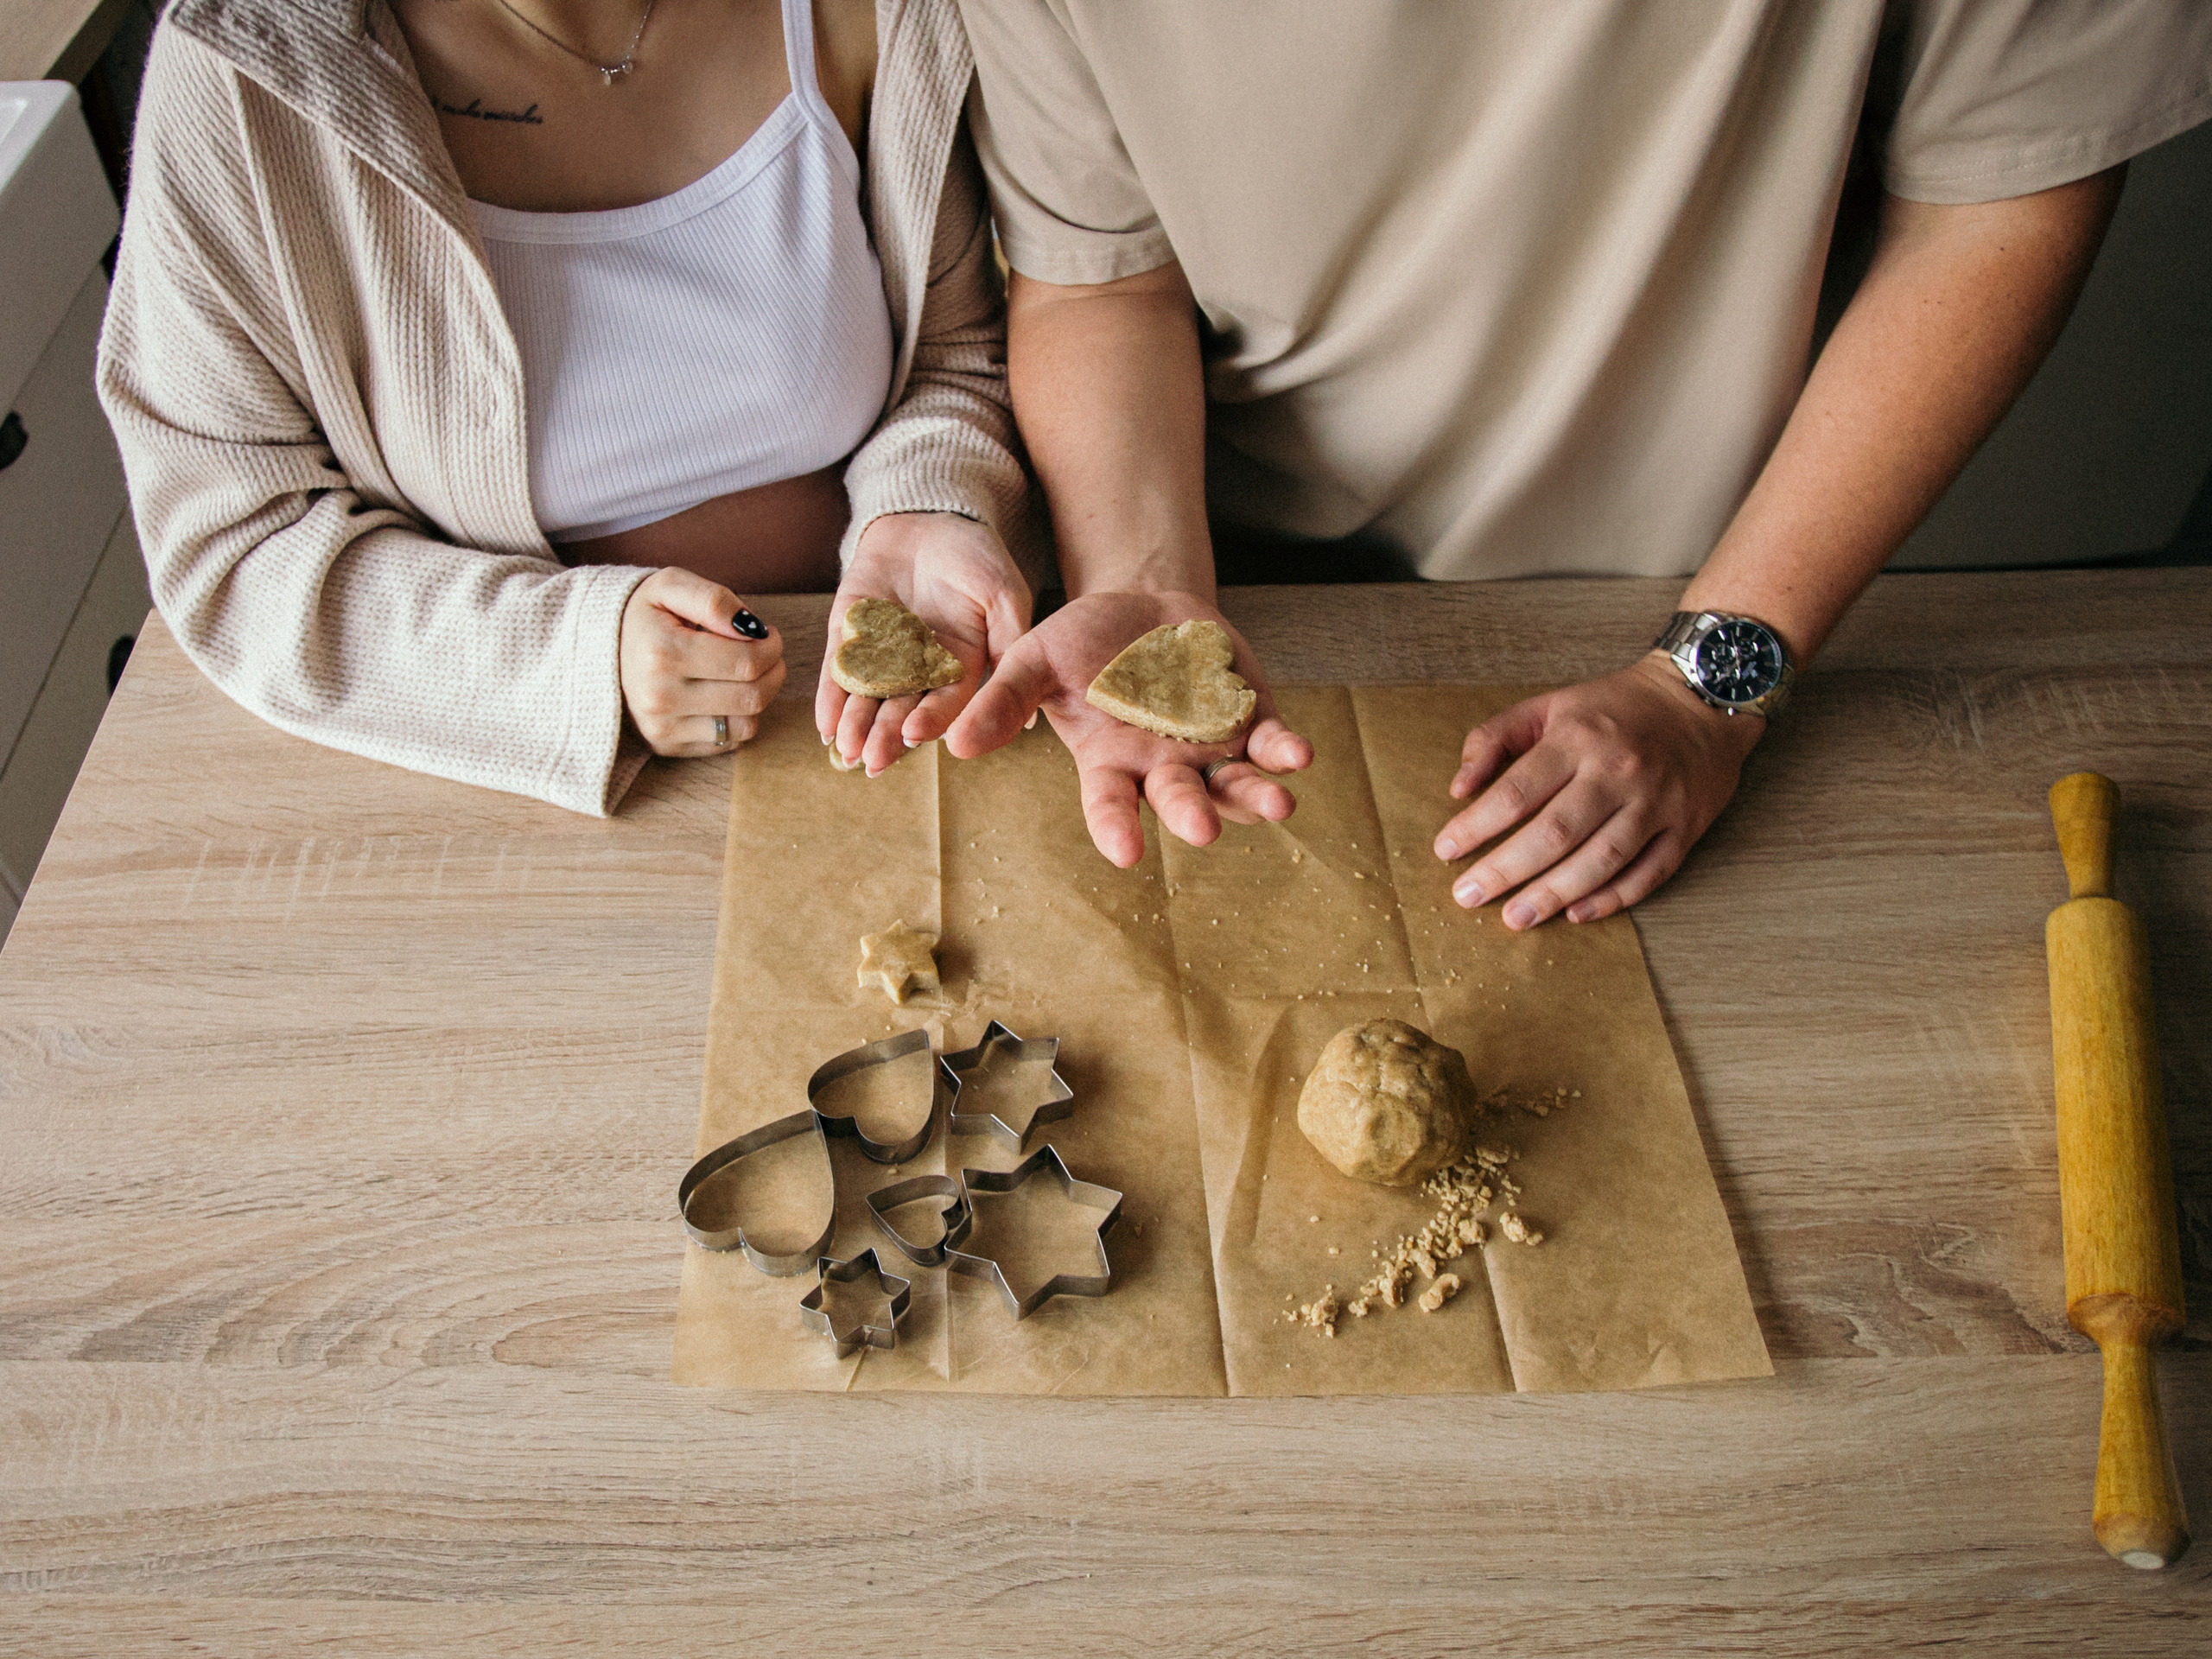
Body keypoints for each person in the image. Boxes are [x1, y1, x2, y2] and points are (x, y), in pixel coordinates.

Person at [936, 0, 2212, 925]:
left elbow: (1997, 197)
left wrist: (1712, 679)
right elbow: (1102, 281)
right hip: (1249, 592)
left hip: (1714, 576)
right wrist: (1153, 589)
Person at [99, 0, 1041, 815]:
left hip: (920, 709)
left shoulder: (877, 16)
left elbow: (954, 354)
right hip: (521, 778)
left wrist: (926, 502)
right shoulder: (240, 72)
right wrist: (579, 660)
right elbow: (232, 543)